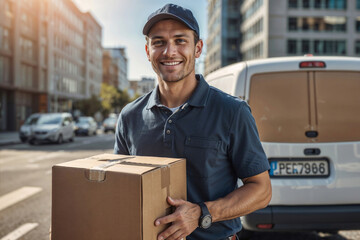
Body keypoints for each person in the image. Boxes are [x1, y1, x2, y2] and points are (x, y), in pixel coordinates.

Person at [114, 3, 272, 240]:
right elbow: (118, 188)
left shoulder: (232, 112)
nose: (169, 51)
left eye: (180, 40)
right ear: (147, 51)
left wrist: (202, 213)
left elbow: (261, 190)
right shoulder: (129, 116)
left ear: (198, 49)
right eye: (158, 42)